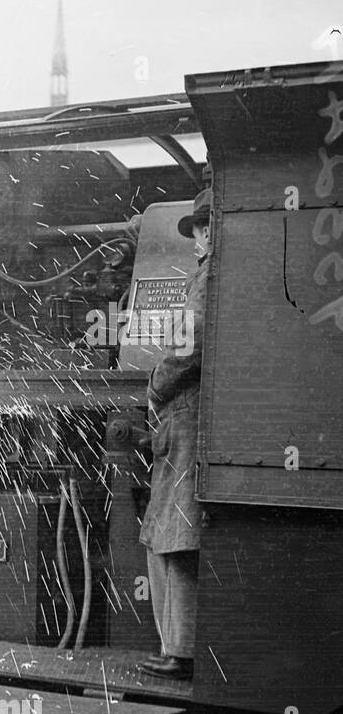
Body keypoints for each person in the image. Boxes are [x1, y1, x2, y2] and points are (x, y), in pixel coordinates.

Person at [137, 188, 210, 681]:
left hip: (184, 418)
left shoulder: (207, 278)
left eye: (205, 227)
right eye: (197, 229)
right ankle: (177, 646)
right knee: (166, 535)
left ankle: (178, 651)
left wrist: (156, 384)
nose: (200, 237)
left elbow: (189, 342)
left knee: (170, 537)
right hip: (194, 419)